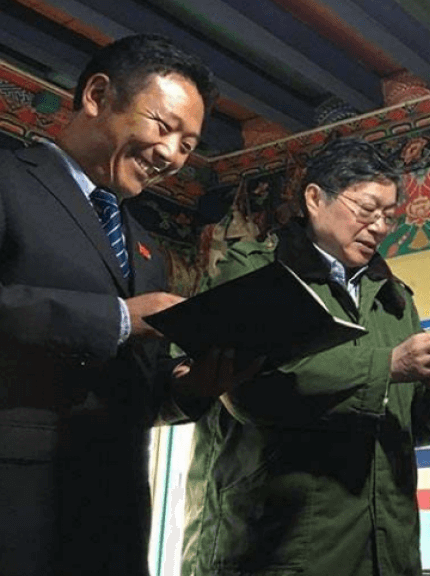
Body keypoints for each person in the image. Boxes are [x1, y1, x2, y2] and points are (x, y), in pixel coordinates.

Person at [0, 34, 245, 575]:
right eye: (164, 126)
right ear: (97, 95)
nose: (171, 156)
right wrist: (117, 319)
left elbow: (139, 392)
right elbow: (116, 326)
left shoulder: (146, 249)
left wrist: (192, 387)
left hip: (116, 521)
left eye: (188, 145)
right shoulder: (9, 180)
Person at [182, 138, 430, 576]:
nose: (379, 227)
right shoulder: (255, 271)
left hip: (387, 551)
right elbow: (252, 390)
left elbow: (412, 426)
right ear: (315, 199)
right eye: (367, 209)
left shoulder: (395, 298)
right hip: (284, 550)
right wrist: (388, 366)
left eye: (389, 216)